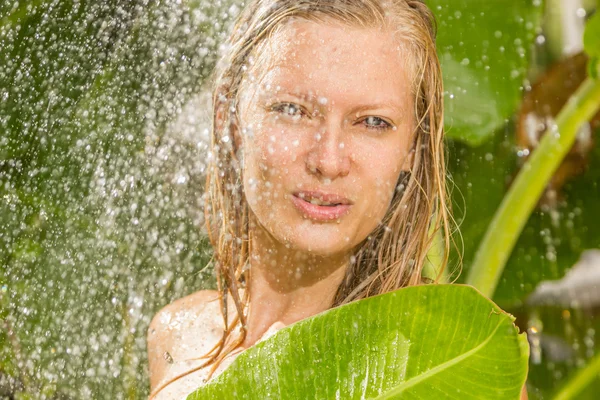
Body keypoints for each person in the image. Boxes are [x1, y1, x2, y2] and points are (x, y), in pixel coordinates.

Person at [146, 0, 453, 398]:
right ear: (230, 120)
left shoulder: (445, 359)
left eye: (372, 122)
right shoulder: (180, 334)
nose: (328, 160)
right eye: (293, 110)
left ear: (413, 144)